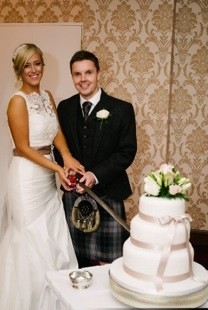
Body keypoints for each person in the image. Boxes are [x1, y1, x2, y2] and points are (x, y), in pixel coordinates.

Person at [0, 43, 85, 310]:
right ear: (19, 70)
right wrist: (58, 168)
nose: (34, 70)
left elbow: (55, 131)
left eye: (37, 63)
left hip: (47, 172)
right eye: (27, 65)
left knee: (51, 232)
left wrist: (66, 155)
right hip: (26, 177)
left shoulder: (47, 96)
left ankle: (53, 301)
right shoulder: (17, 101)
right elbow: (23, 147)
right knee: (29, 237)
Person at [53, 50, 137, 268]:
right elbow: (58, 146)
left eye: (88, 72)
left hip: (107, 192)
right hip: (73, 194)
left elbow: (127, 151)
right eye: (77, 74)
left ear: (98, 73)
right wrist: (64, 170)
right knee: (73, 256)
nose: (83, 79)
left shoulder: (121, 109)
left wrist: (95, 175)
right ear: (72, 76)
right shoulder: (65, 107)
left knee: (108, 263)